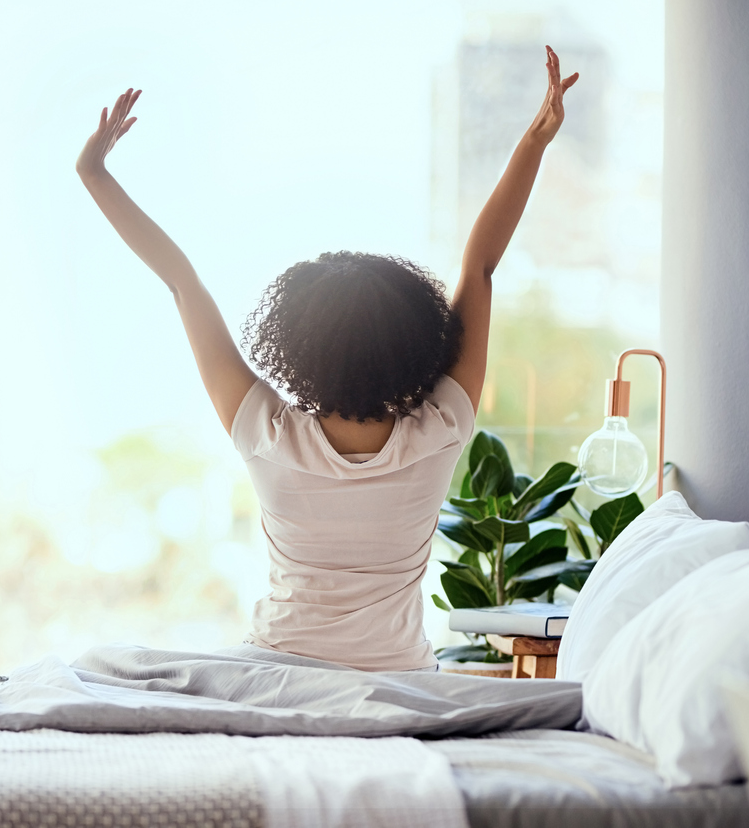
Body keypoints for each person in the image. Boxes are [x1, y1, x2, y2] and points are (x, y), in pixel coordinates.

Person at [76, 46, 578, 672]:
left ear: (296, 348)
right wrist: (535, 141)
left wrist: (94, 174)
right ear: (417, 340)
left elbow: (183, 283)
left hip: (274, 674)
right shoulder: (442, 427)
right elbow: (479, 265)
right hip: (401, 683)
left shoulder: (266, 433)